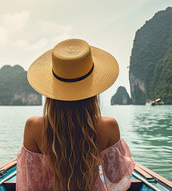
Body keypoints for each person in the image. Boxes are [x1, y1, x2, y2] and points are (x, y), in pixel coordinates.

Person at [17, 38, 135, 191]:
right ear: (93, 87)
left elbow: (32, 185)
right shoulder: (108, 126)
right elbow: (116, 177)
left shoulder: (33, 127)